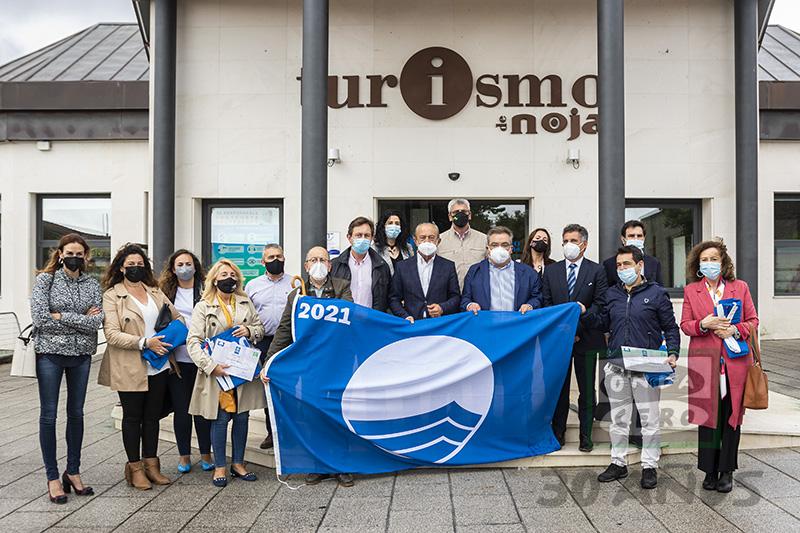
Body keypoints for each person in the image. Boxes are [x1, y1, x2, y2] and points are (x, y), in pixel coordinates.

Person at [591, 246, 680, 489]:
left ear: (640, 266)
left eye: (627, 264)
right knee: (618, 419)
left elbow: (671, 327)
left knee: (649, 420)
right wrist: (583, 313)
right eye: (619, 265)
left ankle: (649, 466)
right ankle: (618, 463)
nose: (622, 269)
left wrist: (673, 352)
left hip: (647, 367)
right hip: (617, 366)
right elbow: (603, 323)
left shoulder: (657, 293)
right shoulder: (612, 294)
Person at [265, 246, 354, 486]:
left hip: (337, 362)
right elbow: (284, 329)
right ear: (305, 266)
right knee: (312, 413)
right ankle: (318, 464)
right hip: (309, 365)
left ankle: (341, 465)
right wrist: (269, 361)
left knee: (337, 411)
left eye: (322, 259)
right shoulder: (296, 295)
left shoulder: (342, 287)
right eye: (313, 260)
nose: (318, 263)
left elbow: (348, 317)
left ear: (330, 264)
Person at [99, 243, 180, 490]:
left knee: (152, 417)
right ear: (121, 267)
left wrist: (167, 339)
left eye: (139, 264)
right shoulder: (112, 295)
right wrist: (145, 342)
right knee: (133, 418)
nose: (135, 268)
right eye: (130, 264)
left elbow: (178, 318)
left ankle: (151, 465)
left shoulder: (155, 292)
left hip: (159, 363)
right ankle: (135, 468)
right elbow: (112, 334)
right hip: (130, 365)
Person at [680, 240, 758, 493]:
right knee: (707, 417)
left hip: (735, 362)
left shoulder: (740, 287)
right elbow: (686, 325)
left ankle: (727, 471)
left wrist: (735, 329)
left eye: (714, 259)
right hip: (705, 363)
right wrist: (705, 323)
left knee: (731, 417)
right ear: (698, 265)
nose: (710, 263)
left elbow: (753, 321)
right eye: (705, 260)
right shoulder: (692, 290)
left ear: (723, 263)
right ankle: (709, 470)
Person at [30, 234, 103, 504]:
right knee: (49, 415)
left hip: (81, 356)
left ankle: (73, 471)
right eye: (69, 252)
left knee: (77, 414)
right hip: (50, 354)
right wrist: (82, 319)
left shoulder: (93, 284)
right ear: (60, 254)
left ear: (86, 257)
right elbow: (39, 318)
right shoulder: (45, 281)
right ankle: (52, 477)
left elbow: (98, 322)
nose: (75, 257)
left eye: (79, 253)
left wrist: (61, 316)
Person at [186, 259, 266, 487]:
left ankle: (238, 463)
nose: (228, 278)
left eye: (232, 274)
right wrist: (211, 366)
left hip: (242, 370)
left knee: (242, 417)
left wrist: (250, 330)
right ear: (214, 279)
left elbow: (260, 328)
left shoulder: (244, 301)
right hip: (217, 372)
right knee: (220, 419)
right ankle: (220, 465)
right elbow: (193, 341)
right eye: (223, 275)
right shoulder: (203, 306)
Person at [541, 224, 608, 452]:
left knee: (587, 390)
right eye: (565, 240)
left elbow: (600, 304)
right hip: (558, 342)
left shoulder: (597, 271)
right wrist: (566, 332)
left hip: (587, 339)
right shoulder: (551, 271)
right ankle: (557, 434)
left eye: (573, 240)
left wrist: (579, 326)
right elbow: (547, 305)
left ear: (584, 244)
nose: (568, 245)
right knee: (559, 389)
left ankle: (585, 436)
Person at [598, 220, 664, 440]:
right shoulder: (609, 266)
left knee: (647, 409)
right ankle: (619, 459)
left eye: (639, 235)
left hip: (645, 345)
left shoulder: (654, 265)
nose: (635, 238)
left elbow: (663, 310)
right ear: (623, 238)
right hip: (617, 344)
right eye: (630, 235)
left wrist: (667, 346)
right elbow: (607, 306)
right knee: (619, 404)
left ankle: (646, 457)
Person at [158, 249, 213, 473]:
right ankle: (184, 456)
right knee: (182, 410)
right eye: (179, 264)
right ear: (173, 268)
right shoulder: (165, 293)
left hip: (202, 358)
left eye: (188, 263)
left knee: (201, 410)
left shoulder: (206, 289)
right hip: (177, 360)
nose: (184, 268)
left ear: (195, 266)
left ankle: (206, 453)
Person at [244, 243, 293, 449]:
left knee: (289, 388)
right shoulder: (252, 286)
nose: (276, 260)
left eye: (279, 256)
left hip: (289, 341)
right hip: (263, 341)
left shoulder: (295, 283)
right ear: (263, 262)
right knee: (268, 387)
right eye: (271, 257)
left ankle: (290, 433)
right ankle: (272, 433)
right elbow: (247, 315)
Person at [389, 222, 461, 323]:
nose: (427, 241)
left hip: (439, 326)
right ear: (415, 241)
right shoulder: (402, 267)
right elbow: (394, 299)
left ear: (438, 241)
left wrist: (442, 308)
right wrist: (404, 316)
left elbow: (456, 297)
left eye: (431, 238)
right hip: (412, 325)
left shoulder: (448, 266)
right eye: (422, 237)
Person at [461, 226, 542, 314]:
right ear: (488, 248)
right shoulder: (475, 271)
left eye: (505, 245)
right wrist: (470, 305)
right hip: (486, 325)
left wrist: (530, 305)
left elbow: (538, 297)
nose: (499, 248)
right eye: (494, 245)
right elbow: (465, 299)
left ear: (511, 249)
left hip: (517, 325)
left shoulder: (528, 273)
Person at [330, 216, 392, 312]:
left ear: (372, 238)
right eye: (358, 235)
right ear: (349, 238)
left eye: (367, 235)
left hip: (370, 322)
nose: (363, 239)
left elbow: (388, 299)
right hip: (344, 321)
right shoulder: (335, 265)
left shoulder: (382, 267)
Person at [437, 198, 488, 289]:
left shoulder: (484, 239)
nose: (460, 214)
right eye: (456, 212)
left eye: (464, 211)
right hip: (449, 295)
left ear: (470, 215)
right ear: (450, 216)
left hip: (476, 293)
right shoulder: (439, 240)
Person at [602, 220, 663, 287]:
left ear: (644, 238)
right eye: (631, 236)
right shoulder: (609, 264)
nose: (636, 239)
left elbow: (659, 289)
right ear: (623, 239)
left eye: (639, 236)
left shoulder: (654, 263)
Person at [373, 209, 414, 275]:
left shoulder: (408, 248)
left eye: (397, 223)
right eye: (390, 223)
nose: (394, 226)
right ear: (383, 226)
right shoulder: (374, 249)